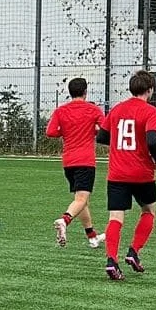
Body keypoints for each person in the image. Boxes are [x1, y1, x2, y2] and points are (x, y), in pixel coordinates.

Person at [101, 71, 156, 281]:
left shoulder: (117, 109)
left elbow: (101, 136)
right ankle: (133, 251)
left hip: (117, 173)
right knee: (148, 211)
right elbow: (153, 141)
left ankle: (111, 261)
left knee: (115, 217)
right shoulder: (151, 111)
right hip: (142, 173)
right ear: (150, 90)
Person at [44, 77, 105, 248]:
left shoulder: (61, 111)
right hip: (85, 161)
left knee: (80, 200)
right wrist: (93, 130)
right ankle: (64, 220)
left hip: (69, 161)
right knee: (81, 199)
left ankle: (92, 237)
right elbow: (105, 129)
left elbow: (50, 132)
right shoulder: (93, 110)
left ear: (70, 93)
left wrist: (66, 132)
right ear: (86, 92)